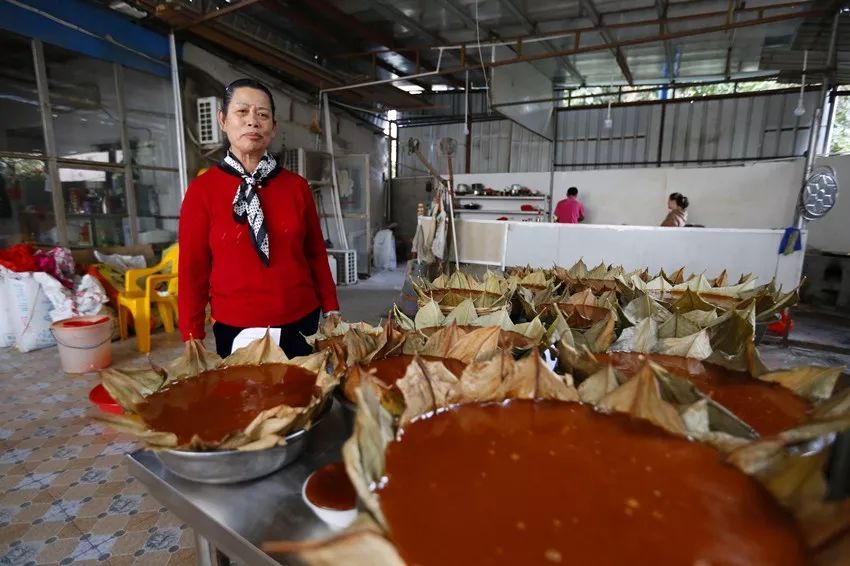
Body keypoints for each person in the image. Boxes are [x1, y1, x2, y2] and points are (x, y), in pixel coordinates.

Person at [178, 78, 339, 358]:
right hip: (235, 325)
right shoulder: (202, 191)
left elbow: (315, 253)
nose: (253, 122)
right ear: (223, 120)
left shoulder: (297, 187)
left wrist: (331, 306)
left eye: (262, 115)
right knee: (248, 400)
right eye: (242, 112)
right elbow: (192, 268)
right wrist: (192, 333)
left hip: (301, 320)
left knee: (305, 397)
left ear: (273, 128)